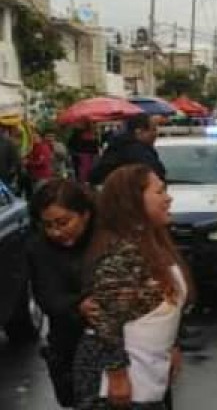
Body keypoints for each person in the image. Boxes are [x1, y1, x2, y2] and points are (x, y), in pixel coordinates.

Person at [74, 164, 189, 410]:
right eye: (159, 192)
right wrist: (117, 377)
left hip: (149, 377)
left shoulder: (155, 244)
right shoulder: (122, 254)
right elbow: (107, 321)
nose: (168, 199)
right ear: (133, 201)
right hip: (117, 386)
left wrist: (174, 345)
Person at [27, 180, 97, 408]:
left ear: (85, 215)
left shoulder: (107, 239)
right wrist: (79, 306)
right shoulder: (39, 248)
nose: (56, 232)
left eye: (63, 222)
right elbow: (47, 297)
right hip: (69, 347)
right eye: (48, 225)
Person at [89, 114, 166, 187]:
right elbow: (154, 174)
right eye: (153, 130)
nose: (156, 134)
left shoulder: (117, 146)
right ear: (139, 132)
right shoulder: (137, 151)